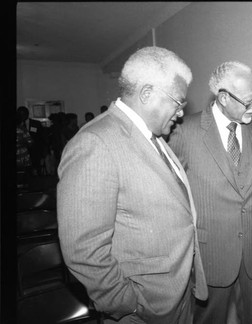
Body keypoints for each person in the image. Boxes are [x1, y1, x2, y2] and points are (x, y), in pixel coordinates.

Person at [57, 46, 208, 324]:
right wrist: (127, 304)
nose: (180, 113)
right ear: (147, 93)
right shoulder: (95, 143)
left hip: (176, 290)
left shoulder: (155, 136)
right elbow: (83, 250)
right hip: (142, 307)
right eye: (178, 102)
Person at [168, 61, 252, 324]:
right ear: (223, 98)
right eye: (249, 100)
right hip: (211, 254)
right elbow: (171, 198)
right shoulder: (183, 131)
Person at [16, 106, 47, 176]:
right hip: (20, 154)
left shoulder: (36, 123)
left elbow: (42, 138)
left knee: (36, 172)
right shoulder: (17, 126)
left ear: (27, 114)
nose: (22, 116)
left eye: (24, 114)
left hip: (35, 152)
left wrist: (43, 152)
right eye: (20, 114)